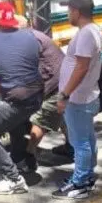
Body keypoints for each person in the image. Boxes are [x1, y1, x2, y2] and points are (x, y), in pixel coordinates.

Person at [0, 1, 44, 195]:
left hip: (16, 99)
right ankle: (19, 160)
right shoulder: (30, 38)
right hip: (37, 95)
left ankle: (14, 179)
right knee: (14, 126)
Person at [53, 0, 102, 200]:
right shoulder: (95, 30)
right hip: (87, 94)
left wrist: (64, 94)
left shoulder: (85, 34)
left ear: (76, 11)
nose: (68, 14)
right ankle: (88, 174)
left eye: (69, 10)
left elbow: (82, 67)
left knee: (80, 142)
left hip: (78, 98)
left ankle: (80, 183)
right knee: (87, 137)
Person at [24, 21, 67, 174]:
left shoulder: (30, 40)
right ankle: (71, 147)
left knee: (41, 119)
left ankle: (29, 155)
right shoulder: (35, 35)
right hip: (63, 80)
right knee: (63, 117)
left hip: (56, 84)